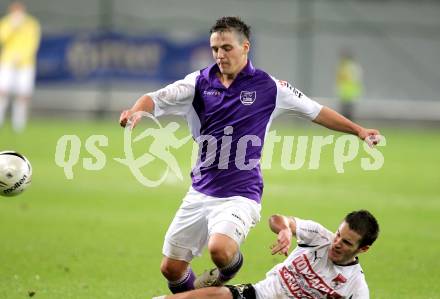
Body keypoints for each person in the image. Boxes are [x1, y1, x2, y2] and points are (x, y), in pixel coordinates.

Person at [119, 17, 381, 294]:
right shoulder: (198, 83)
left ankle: (228, 269)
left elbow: (315, 111)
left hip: (241, 194)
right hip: (200, 191)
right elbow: (155, 98)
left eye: (227, 47)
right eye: (215, 48)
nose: (220, 55)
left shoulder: (270, 87)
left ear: (245, 47)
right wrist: (137, 111)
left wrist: (358, 130)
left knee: (220, 250)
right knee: (170, 270)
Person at [153, 210, 380, 299]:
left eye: (346, 242)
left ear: (363, 249)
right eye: (338, 234)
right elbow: (277, 219)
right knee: (218, 296)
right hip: (260, 294)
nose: (336, 243)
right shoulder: (319, 237)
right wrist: (284, 229)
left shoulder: (356, 287)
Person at [0, 1, 40, 132]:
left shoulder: (31, 24)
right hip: (7, 62)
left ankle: (19, 124)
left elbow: (33, 44)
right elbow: (3, 38)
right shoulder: (6, 23)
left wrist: (22, 56)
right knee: (3, 92)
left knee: (23, 94)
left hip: (26, 64)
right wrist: (12, 27)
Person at [336, 49, 363, 120]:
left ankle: (347, 124)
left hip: (349, 91)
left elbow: (346, 78)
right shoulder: (349, 66)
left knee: (347, 111)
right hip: (346, 91)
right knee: (346, 110)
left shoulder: (348, 66)